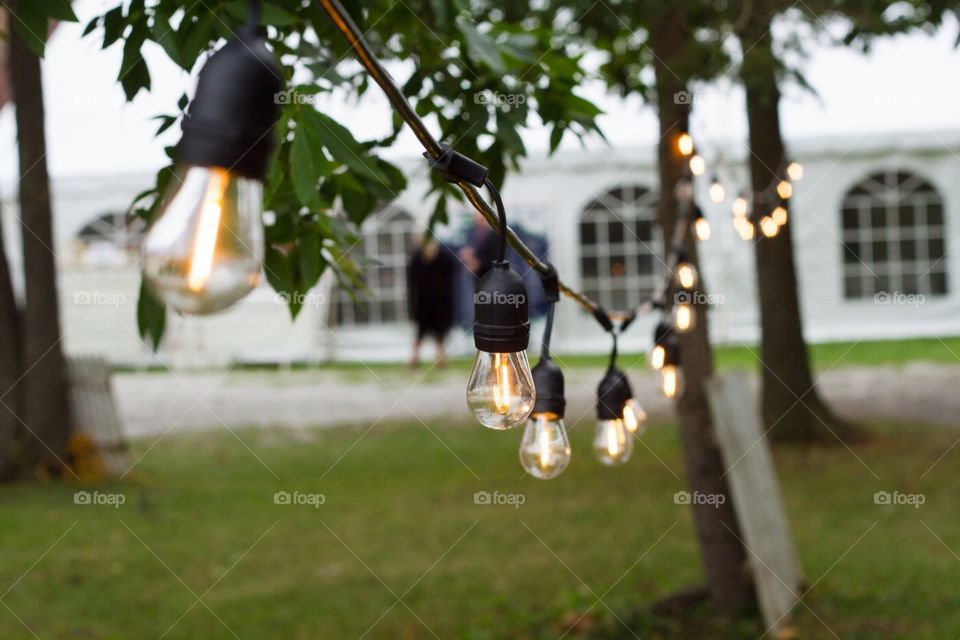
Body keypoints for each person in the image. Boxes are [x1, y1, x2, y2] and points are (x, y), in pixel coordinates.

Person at [407, 238, 457, 368]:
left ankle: (440, 358)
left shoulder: (444, 256)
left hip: (441, 301)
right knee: (420, 331)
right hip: (423, 301)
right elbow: (411, 282)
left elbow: (453, 273)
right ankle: (414, 358)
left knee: (440, 332)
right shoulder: (416, 258)